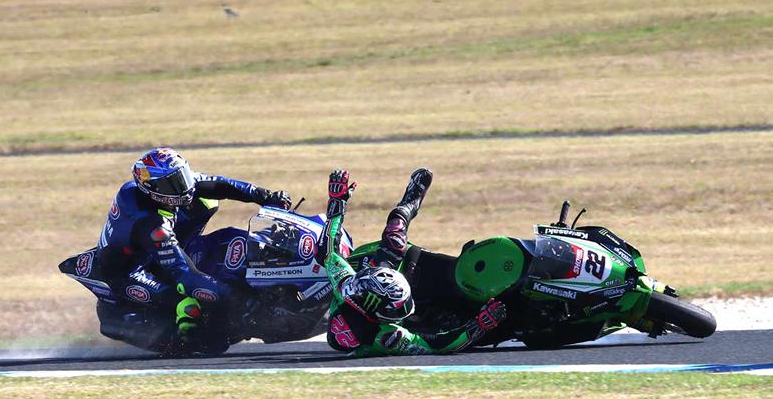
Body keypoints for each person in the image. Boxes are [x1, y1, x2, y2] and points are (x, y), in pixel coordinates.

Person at [96, 147, 291, 340]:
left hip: (160, 248)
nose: (183, 186)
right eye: (173, 184)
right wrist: (237, 299)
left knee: (215, 214)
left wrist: (265, 196)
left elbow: (219, 184)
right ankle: (184, 337)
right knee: (188, 305)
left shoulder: (164, 192)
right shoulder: (151, 224)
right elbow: (185, 274)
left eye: (182, 177)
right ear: (153, 189)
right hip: (131, 272)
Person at [317, 169, 506, 356]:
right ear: (383, 318)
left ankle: (411, 198)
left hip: (368, 275)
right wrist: (478, 326)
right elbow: (437, 345)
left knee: (394, 238)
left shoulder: (346, 283)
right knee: (439, 326)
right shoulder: (386, 337)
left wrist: (338, 199)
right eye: (399, 309)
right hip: (400, 318)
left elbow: (328, 249)